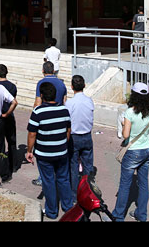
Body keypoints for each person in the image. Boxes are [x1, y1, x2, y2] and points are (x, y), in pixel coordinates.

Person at [26, 82, 72, 220]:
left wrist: (29, 150)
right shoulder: (64, 110)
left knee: (48, 181)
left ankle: (52, 212)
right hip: (62, 152)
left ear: (41, 95)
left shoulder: (38, 112)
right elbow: (68, 130)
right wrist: (63, 144)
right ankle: (68, 207)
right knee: (64, 179)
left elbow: (32, 133)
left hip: (44, 154)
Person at [111, 82, 149, 222]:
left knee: (124, 185)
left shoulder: (130, 112)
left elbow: (125, 135)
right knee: (143, 184)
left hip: (133, 151)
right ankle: (141, 215)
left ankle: (118, 216)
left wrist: (124, 124)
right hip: (146, 149)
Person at [32, 61, 67, 186]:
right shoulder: (62, 84)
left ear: (43, 71)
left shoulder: (41, 83)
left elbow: (38, 103)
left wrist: (34, 116)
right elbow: (65, 102)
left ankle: (43, 178)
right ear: (53, 70)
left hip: (45, 119)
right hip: (59, 118)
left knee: (43, 151)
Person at [65, 75, 95, 203]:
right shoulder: (89, 101)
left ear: (72, 87)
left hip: (74, 137)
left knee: (73, 167)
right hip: (87, 135)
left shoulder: (69, 103)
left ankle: (74, 196)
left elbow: (67, 121)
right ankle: (87, 193)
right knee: (87, 167)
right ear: (84, 85)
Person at [0, 64, 18, 178]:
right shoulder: (12, 86)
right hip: (9, 116)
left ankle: (1, 165)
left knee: (0, 143)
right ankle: (13, 165)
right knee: (12, 142)